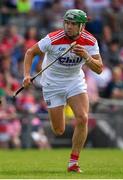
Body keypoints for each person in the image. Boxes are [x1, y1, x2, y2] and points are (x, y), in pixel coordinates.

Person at [22, 9, 103, 173]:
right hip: (52, 84)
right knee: (59, 130)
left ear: (82, 26)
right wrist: (26, 75)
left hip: (75, 82)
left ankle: (73, 163)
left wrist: (86, 56)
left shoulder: (90, 41)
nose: (69, 27)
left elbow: (99, 69)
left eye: (73, 24)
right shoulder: (53, 39)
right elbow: (30, 52)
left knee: (83, 118)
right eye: (67, 23)